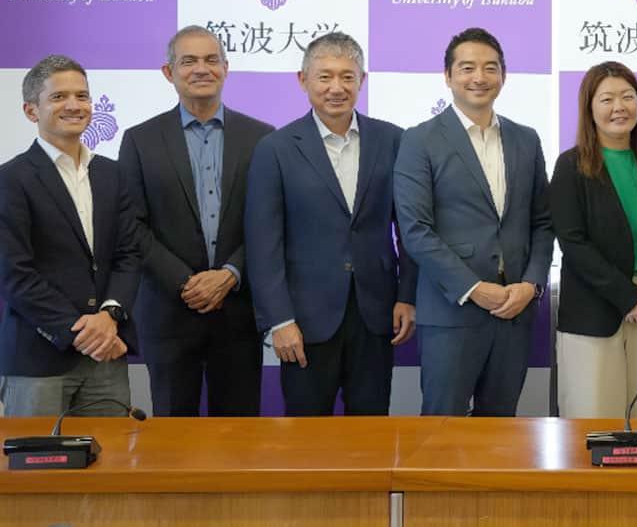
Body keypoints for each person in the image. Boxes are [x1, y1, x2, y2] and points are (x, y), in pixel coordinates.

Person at [244, 33, 416, 415]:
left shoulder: (393, 140)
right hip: (304, 321)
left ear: (362, 80)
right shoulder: (275, 149)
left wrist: (407, 296)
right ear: (303, 80)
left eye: (347, 76)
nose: (336, 88)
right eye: (325, 77)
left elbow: (409, 229)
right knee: (306, 434)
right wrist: (279, 320)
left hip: (376, 314)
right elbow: (263, 245)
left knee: (370, 430)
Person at [395, 27, 552, 417]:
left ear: (503, 76)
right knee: (442, 427)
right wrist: (473, 288)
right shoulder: (419, 140)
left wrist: (531, 285)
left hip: (514, 311)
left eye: (490, 68)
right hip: (451, 312)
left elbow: (543, 222)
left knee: (500, 429)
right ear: (448, 76)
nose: (479, 77)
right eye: (467, 68)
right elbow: (415, 230)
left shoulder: (526, 139)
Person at [118, 26, 273, 417]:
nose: (201, 69)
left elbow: (269, 222)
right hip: (168, 312)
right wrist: (185, 282)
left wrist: (231, 274)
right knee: (171, 433)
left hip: (238, 312)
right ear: (168, 72)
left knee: (238, 433)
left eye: (211, 60)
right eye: (188, 61)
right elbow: (131, 225)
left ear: (226, 68)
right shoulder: (140, 140)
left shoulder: (262, 138)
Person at [0, 55, 142, 418]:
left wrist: (109, 315)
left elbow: (128, 254)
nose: (74, 106)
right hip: (39, 359)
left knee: (112, 454)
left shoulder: (113, 174)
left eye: (82, 96)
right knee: (38, 456)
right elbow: (13, 273)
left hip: (107, 356)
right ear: (31, 111)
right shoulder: (10, 180)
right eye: (59, 97)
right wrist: (80, 331)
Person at [552, 62, 637, 418]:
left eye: (628, 97)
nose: (619, 107)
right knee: (591, 418)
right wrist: (628, 296)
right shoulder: (571, 165)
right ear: (589, 107)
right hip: (593, 311)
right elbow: (572, 242)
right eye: (607, 99)